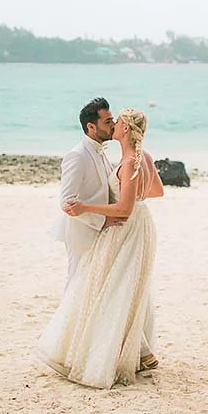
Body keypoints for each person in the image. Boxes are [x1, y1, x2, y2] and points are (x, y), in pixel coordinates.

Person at [37, 108, 165, 388]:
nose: (114, 125)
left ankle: (132, 352)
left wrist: (86, 207)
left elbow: (124, 208)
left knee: (115, 287)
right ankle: (139, 350)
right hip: (140, 224)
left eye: (117, 122)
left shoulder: (131, 161)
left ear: (127, 130)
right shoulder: (144, 157)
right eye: (111, 121)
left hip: (124, 227)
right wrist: (136, 195)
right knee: (126, 285)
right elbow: (157, 191)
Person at [51, 97, 127, 286]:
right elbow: (66, 202)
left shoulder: (100, 151)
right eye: (108, 122)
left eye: (113, 120)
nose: (114, 125)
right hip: (82, 233)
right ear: (91, 127)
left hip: (100, 233)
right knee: (77, 285)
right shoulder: (77, 155)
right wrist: (103, 220)